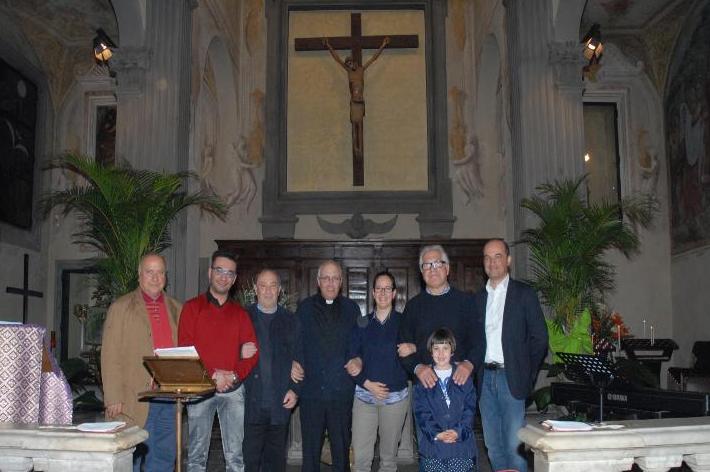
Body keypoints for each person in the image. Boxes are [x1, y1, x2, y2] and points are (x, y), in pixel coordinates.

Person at [178, 250, 258, 472]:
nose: (224, 277)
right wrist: (213, 375)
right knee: (196, 457)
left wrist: (233, 375)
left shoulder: (240, 314)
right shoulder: (191, 308)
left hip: (233, 390)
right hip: (201, 387)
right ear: (210, 272)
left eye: (229, 273)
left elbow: (253, 353)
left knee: (235, 458)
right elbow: (185, 349)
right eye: (219, 270)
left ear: (234, 279)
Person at [472, 239, 548, 472]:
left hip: (512, 378)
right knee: (493, 447)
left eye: (497, 256)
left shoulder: (524, 294)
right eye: (487, 257)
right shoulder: (477, 298)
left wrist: (527, 374)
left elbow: (540, 338)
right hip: (485, 380)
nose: (492, 262)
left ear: (508, 260)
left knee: (515, 448)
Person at [102, 253, 182, 472]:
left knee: (164, 456)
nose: (155, 277)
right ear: (139, 275)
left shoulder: (177, 308)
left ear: (166, 276)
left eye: (160, 272)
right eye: (149, 272)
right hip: (133, 398)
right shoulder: (121, 307)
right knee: (131, 458)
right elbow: (110, 354)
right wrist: (113, 397)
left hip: (168, 397)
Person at [295, 259, 361, 472]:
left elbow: (359, 344)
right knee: (310, 455)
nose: (330, 283)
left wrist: (358, 359)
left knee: (341, 454)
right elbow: (295, 344)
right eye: (326, 278)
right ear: (318, 281)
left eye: (335, 278)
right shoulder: (304, 308)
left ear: (341, 282)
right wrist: (292, 362)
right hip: (311, 393)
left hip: (341, 393)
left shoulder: (352, 309)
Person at [345, 271, 410, 472]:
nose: (382, 293)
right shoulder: (361, 323)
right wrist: (367, 384)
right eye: (379, 289)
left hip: (395, 399)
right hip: (365, 397)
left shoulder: (404, 322)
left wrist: (414, 347)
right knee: (360, 460)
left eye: (387, 288)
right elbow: (351, 359)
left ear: (394, 293)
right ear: (373, 293)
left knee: (388, 461)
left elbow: (418, 353)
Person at [243, 269, 302, 472]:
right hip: (250, 406)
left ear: (280, 290)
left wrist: (295, 389)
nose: (268, 290)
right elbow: (226, 351)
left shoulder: (291, 321)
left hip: (280, 405)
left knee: (275, 465)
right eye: (263, 285)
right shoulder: (243, 317)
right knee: (249, 463)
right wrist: (238, 352)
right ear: (255, 289)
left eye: (273, 285)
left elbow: (301, 358)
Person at [398, 245, 477, 389]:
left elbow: (478, 341)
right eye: (427, 265)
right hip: (425, 387)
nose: (432, 269)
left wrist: (469, 363)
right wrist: (417, 367)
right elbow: (403, 348)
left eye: (437, 264)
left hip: (459, 385)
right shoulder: (412, 306)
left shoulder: (466, 302)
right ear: (422, 272)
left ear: (447, 269)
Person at [413, 327, 477, 472]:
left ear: (452, 350)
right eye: (436, 348)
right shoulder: (423, 380)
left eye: (445, 348)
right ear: (430, 351)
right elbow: (421, 412)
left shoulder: (464, 377)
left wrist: (458, 432)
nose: (441, 353)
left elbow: (470, 410)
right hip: (434, 448)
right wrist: (436, 433)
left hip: (460, 447)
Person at [323, 36, 390, 166]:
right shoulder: (349, 72)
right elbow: (337, 59)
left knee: (360, 126)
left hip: (360, 102)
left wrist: (383, 45)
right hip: (354, 102)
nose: (350, 65)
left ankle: (360, 149)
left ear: (354, 62)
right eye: (348, 64)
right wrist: (328, 46)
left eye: (350, 63)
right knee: (354, 126)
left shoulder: (361, 70)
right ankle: (356, 148)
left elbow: (374, 58)